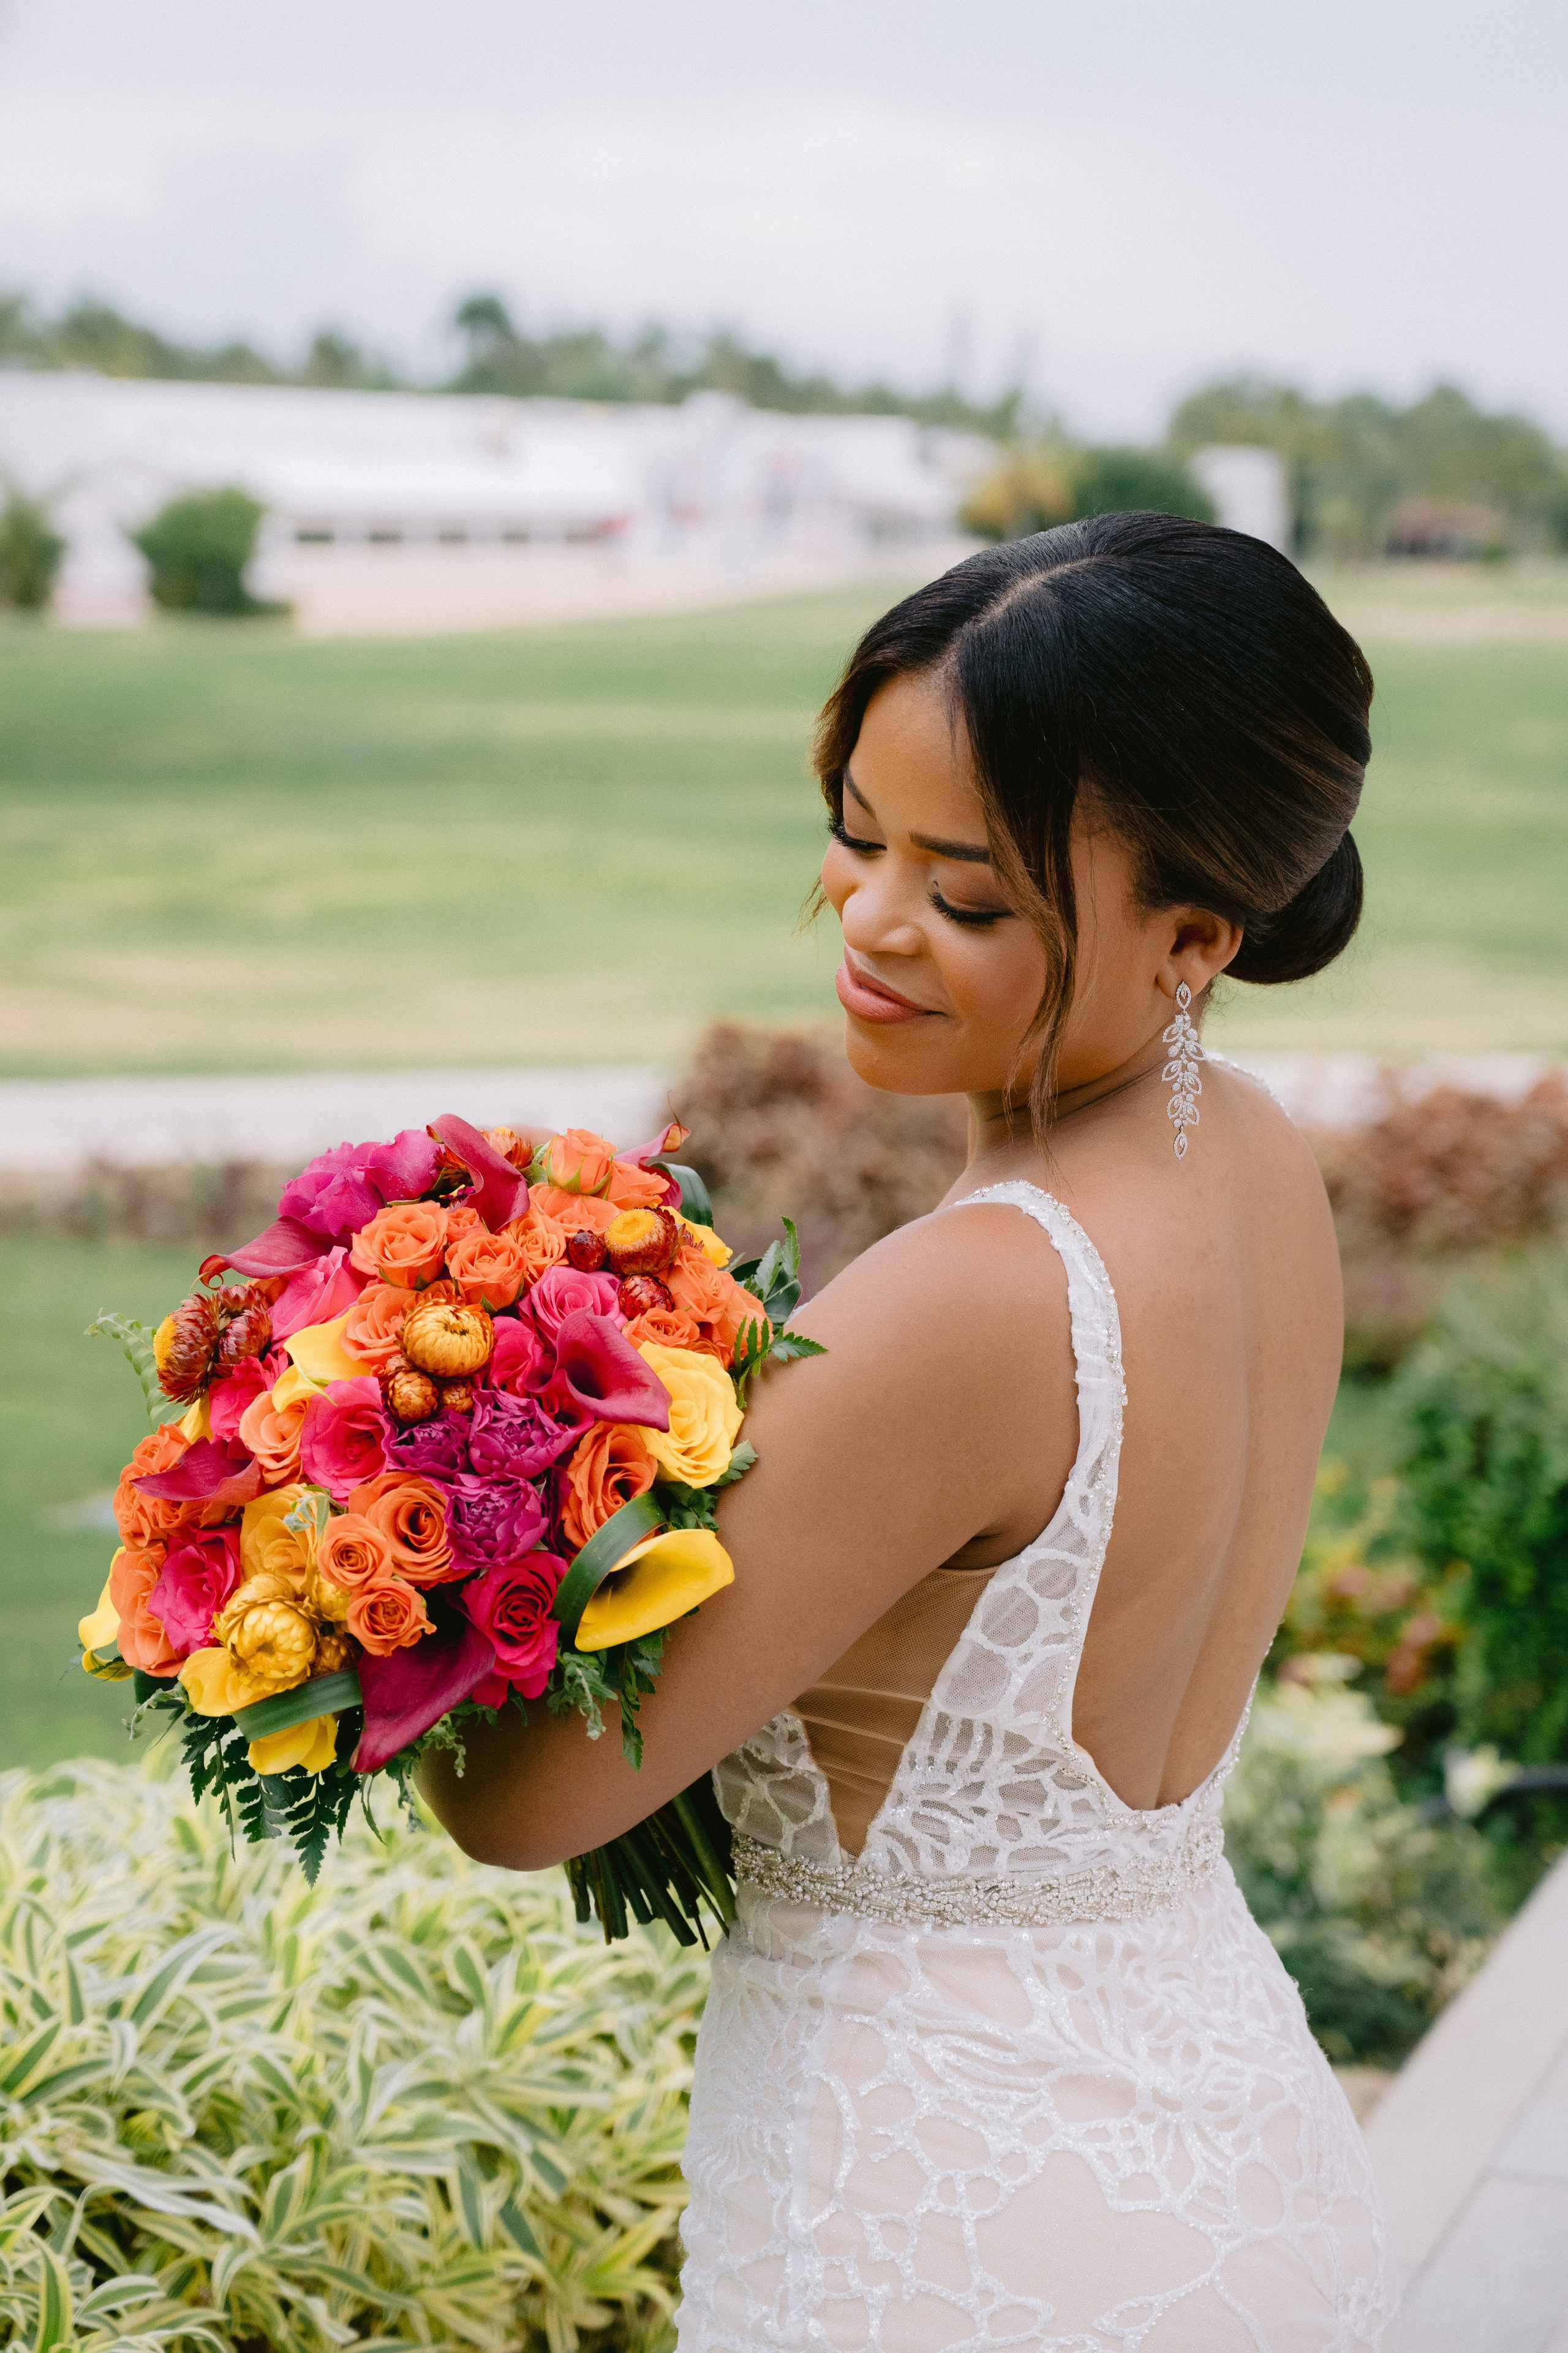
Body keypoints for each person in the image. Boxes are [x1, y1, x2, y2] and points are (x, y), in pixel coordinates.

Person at [423, 513, 1395, 2350]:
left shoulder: (967, 1308)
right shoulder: (1254, 1157)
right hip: (1242, 2157)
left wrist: (367, 1514)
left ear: (1194, 932)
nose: (870, 921)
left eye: (966, 895)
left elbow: (531, 1799)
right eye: (859, 835)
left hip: (954, 2230)